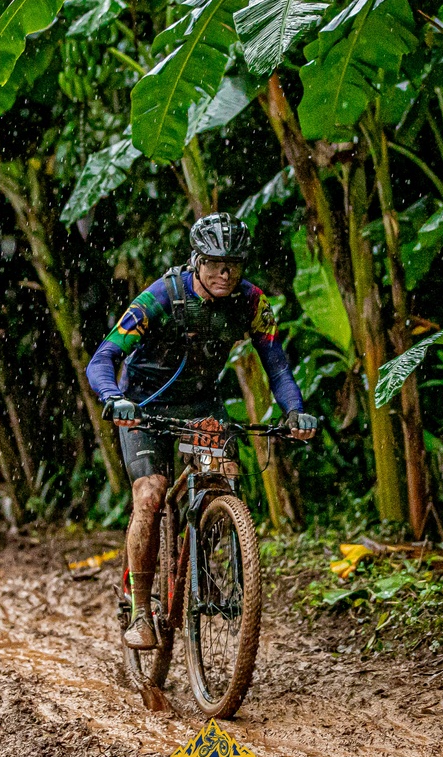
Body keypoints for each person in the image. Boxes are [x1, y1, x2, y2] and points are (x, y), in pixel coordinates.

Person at [86, 212, 318, 650]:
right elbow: (104, 356)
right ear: (196, 260)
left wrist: (294, 412)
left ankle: (202, 565)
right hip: (143, 407)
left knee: (222, 478)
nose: (224, 274)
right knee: (151, 494)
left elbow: (277, 365)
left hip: (201, 407)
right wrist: (114, 397)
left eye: (233, 265)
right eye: (214, 263)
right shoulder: (161, 296)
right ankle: (140, 611)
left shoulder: (252, 303)